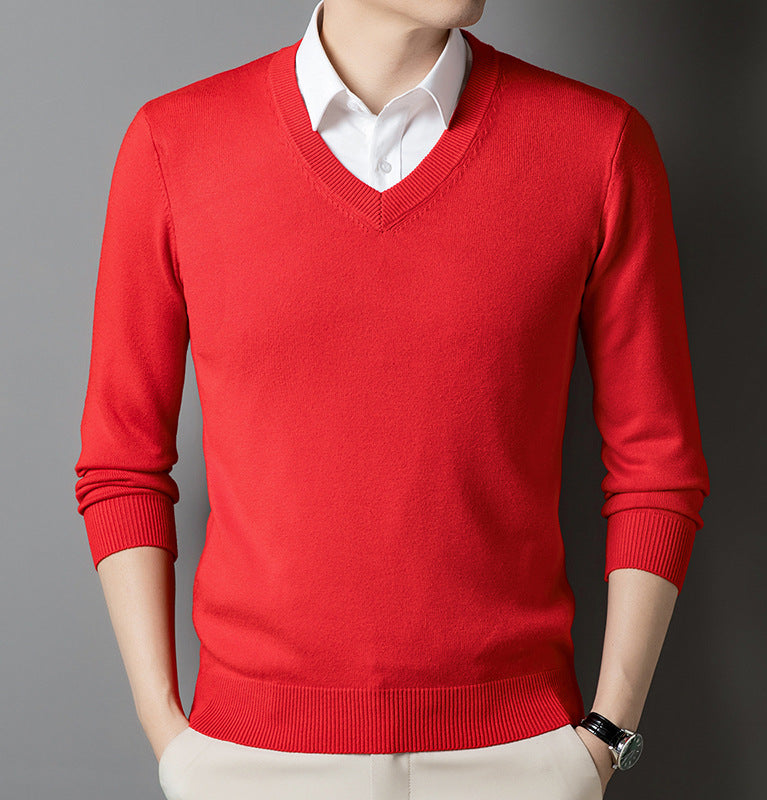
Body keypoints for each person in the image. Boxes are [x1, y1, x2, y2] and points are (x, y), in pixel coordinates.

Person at [73, 1, 710, 798]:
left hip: (518, 759)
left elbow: (657, 465)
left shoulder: (597, 144)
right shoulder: (175, 143)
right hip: (248, 758)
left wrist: (607, 734)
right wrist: (169, 732)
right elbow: (122, 462)